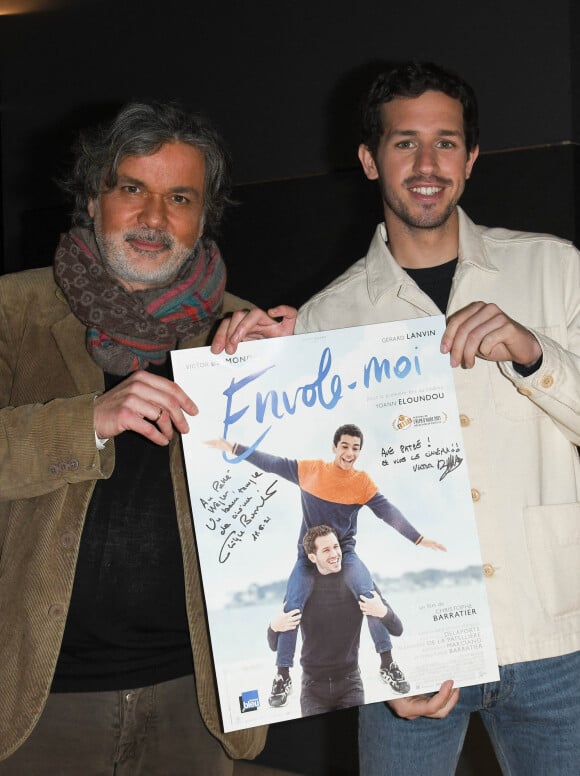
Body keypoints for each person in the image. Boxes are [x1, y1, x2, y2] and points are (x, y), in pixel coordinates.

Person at [213, 61, 580, 775]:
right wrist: (248, 372)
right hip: (414, 656)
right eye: (404, 142)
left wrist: (535, 354)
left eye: (446, 142)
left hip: (557, 639)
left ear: (471, 158)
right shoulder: (328, 315)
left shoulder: (556, 270)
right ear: (368, 159)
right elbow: (321, 489)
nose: (426, 163)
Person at [0, 101, 267, 773]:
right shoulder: (14, 313)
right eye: (132, 190)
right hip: (39, 698)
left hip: (196, 696)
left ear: (203, 216)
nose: (153, 219)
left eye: (179, 198)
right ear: (93, 199)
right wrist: (88, 420)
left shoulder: (243, 333)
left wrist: (285, 387)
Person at [206, 426, 445, 707]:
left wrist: (417, 538)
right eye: (345, 446)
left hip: (345, 553)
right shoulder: (310, 470)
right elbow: (270, 464)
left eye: (355, 448)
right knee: (291, 608)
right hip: (307, 556)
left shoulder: (362, 483)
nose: (350, 453)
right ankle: (283, 675)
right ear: (334, 447)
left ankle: (387, 663)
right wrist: (233, 448)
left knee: (369, 597)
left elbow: (387, 511)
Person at [267, 525, 405, 716]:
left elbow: (397, 629)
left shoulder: (358, 583)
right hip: (312, 689)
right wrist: (274, 626)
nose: (334, 554)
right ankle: (283, 680)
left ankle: (387, 665)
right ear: (312, 557)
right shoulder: (302, 590)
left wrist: (382, 611)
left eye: (336, 547)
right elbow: (274, 645)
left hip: (350, 684)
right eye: (326, 550)